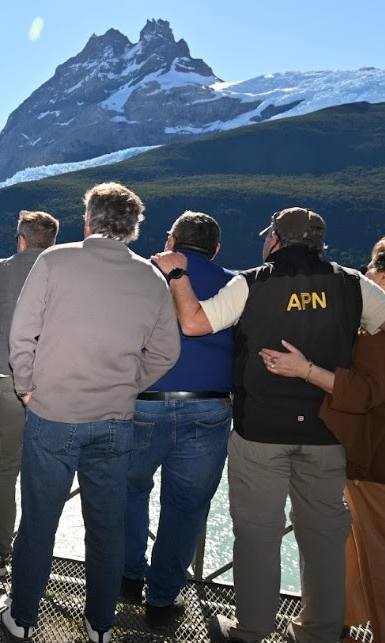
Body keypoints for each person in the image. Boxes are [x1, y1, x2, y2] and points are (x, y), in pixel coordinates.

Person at [153, 208, 385, 643]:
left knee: (257, 533)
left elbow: (194, 323)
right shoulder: (354, 283)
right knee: (324, 538)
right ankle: (321, 632)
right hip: (326, 432)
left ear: (275, 240)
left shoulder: (252, 282)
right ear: (319, 244)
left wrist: (178, 275)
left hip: (260, 430)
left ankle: (252, 629)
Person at [0, 182, 181, 643]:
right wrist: (128, 386)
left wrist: (26, 388)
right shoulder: (151, 278)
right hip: (116, 421)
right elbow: (167, 352)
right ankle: (100, 625)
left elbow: (22, 335)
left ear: (89, 221)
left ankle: (22, 617)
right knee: (106, 526)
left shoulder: (54, 261)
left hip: (52, 413)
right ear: (134, 228)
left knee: (39, 521)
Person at [259, 233, 385, 643]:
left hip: (374, 458)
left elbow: (364, 393)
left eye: (369, 273)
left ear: (384, 280)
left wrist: (304, 369)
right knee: (346, 541)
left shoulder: (384, 334)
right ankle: (330, 623)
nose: (362, 278)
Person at [121, 211, 235, 628]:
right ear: (216, 248)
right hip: (208, 405)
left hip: (143, 402)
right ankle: (161, 601)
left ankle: (128, 578)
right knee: (186, 508)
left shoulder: (143, 274)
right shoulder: (234, 282)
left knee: (129, 490)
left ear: (172, 241)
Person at [0, 210, 59, 578]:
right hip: (54, 385)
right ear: (52, 241)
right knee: (45, 472)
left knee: (5, 468)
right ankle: (37, 553)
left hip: (10, 381)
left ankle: (0, 552)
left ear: (21, 239)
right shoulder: (64, 271)